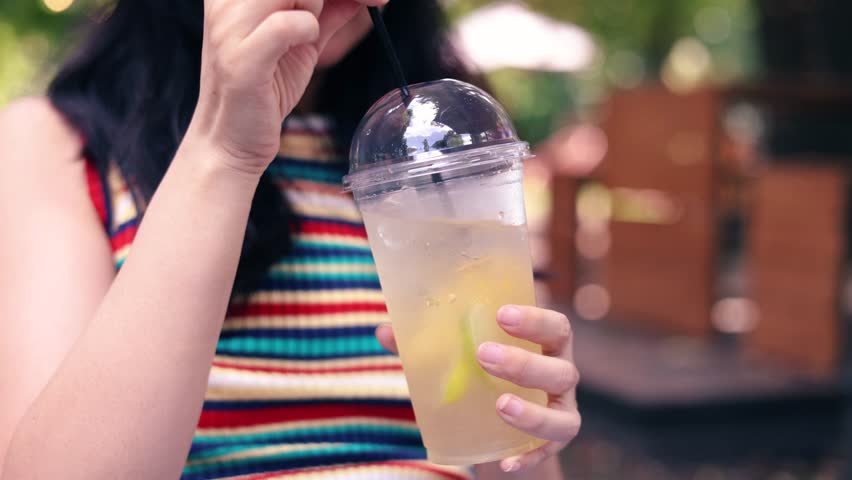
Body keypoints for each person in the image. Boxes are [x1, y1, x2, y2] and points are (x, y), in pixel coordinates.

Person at [0, 0, 581, 478]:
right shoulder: (51, 145)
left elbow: (503, 457)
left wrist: (532, 439)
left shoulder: (445, 147)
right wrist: (222, 149)